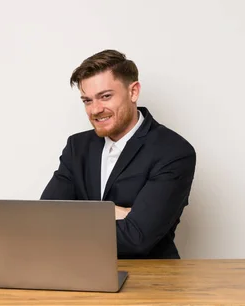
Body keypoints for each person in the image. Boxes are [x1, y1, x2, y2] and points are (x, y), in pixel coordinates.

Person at [40, 49, 196, 259]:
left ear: (133, 92)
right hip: (80, 273)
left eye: (105, 96)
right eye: (87, 100)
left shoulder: (173, 151)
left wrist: (73, 218)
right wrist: (112, 212)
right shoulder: (78, 146)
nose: (95, 110)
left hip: (149, 281)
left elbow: (136, 239)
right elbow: (44, 219)